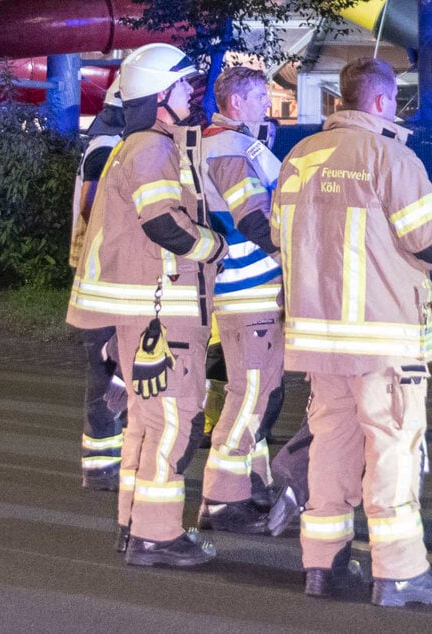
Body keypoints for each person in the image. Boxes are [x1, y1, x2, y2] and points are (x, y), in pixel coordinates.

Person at [271, 57, 432, 607]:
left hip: (318, 338)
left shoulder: (300, 156)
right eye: (394, 99)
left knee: (331, 447)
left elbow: (280, 234)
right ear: (380, 101)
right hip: (382, 336)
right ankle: (400, 573)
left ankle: (323, 566)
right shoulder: (389, 156)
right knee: (393, 448)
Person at [66, 43, 227, 567]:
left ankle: (134, 526)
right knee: (172, 424)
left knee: (145, 422)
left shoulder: (138, 146)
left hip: (148, 312)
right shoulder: (153, 149)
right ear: (161, 96)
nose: (189, 94)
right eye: (182, 86)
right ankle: (156, 537)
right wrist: (214, 246)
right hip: (164, 313)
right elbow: (163, 223)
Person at [193, 66, 285, 534]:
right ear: (236, 103)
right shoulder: (230, 148)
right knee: (250, 392)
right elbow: (253, 217)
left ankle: (254, 484)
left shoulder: (218, 142)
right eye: (260, 96)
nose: (267, 104)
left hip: (239, 286)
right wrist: (294, 255)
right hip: (251, 288)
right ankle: (222, 499)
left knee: (258, 390)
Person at [70, 75, 128, 491]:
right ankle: (102, 466)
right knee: (107, 372)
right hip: (104, 279)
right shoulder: (108, 148)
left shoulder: (106, 142)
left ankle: (105, 462)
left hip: (103, 276)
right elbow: (94, 212)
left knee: (112, 372)